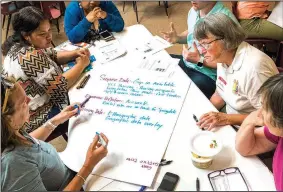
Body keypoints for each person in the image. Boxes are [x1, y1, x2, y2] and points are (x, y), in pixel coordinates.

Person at [1, 75, 109, 191]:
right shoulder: (13, 164)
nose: (29, 100)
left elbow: (25, 145)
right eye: (23, 103)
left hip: (69, 168)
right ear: (8, 119)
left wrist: (57, 120)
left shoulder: (10, 131)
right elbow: (21, 155)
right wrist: (89, 165)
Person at [1, 6, 90, 135]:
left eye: (49, 30)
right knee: (84, 101)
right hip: (33, 118)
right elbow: (61, 88)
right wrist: (82, 65)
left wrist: (74, 53)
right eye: (42, 34)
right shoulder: (29, 57)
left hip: (21, 115)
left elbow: (50, 54)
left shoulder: (16, 46)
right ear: (26, 35)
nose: (49, 37)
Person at [193, 13, 278, 130]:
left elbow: (268, 117)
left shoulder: (254, 68)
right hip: (229, 118)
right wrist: (202, 114)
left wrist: (226, 119)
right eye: (200, 44)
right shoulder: (223, 57)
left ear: (225, 40)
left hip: (253, 129)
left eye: (206, 44)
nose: (201, 51)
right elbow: (220, 94)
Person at [161, 1, 238, 98]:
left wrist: (199, 61)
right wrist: (178, 38)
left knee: (181, 96)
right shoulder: (194, 10)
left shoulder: (225, 20)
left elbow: (232, 64)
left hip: (207, 74)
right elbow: (191, 32)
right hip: (188, 62)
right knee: (158, 62)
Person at [235, 73, 283, 191]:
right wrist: (250, 121)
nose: (259, 113)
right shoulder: (279, 132)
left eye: (266, 109)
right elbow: (246, 149)